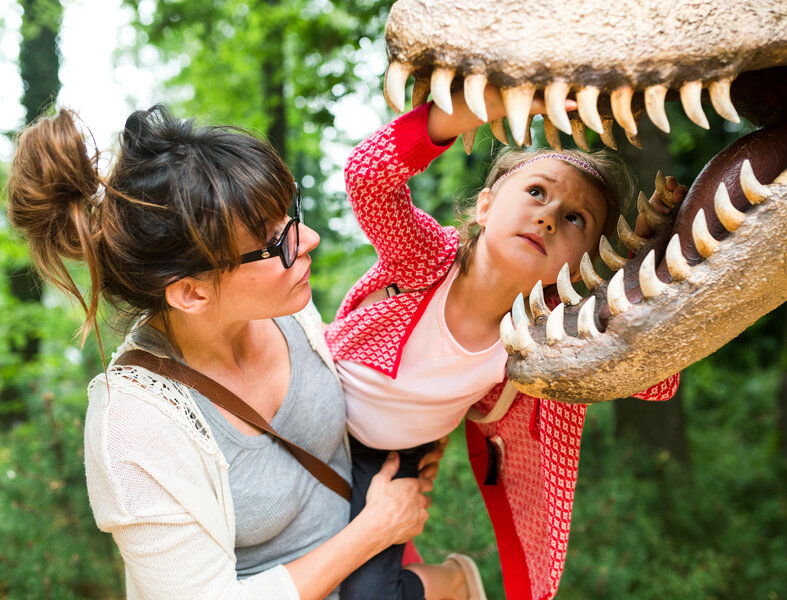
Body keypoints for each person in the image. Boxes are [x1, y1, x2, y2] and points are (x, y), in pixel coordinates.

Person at [5, 104, 447, 600]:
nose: (310, 241)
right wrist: (375, 529)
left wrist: (408, 445)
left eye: (290, 214)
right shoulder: (132, 424)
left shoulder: (285, 308)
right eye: (273, 243)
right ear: (192, 292)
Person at [325, 85, 683, 600]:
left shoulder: (545, 334)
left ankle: (454, 582)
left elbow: (659, 384)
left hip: (395, 456)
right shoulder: (427, 259)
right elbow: (368, 176)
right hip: (313, 408)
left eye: (575, 219)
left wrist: (637, 278)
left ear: (583, 264)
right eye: (536, 191)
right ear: (486, 206)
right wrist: (489, 105)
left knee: (369, 595)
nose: (549, 216)